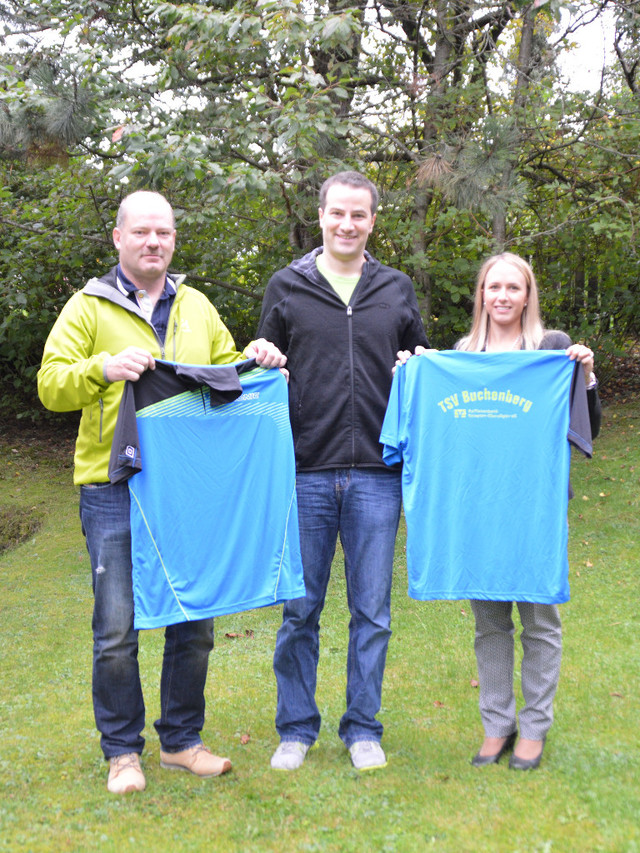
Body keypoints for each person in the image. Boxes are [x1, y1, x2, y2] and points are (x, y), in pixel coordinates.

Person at [37, 190, 286, 794]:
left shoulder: (196, 305)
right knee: (117, 628)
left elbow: (226, 372)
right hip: (113, 487)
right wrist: (102, 369)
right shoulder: (86, 307)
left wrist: (257, 356)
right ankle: (123, 752)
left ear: (174, 240)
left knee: (192, 617)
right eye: (142, 232)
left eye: (164, 233)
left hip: (189, 489)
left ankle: (181, 742)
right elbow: (50, 384)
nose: (154, 242)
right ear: (118, 239)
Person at [257, 170, 430, 772]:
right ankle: (295, 728)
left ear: (372, 221)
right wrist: (261, 358)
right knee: (299, 610)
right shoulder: (286, 286)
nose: (347, 225)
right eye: (338, 214)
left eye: (359, 215)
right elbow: (264, 373)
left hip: (378, 476)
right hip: (305, 472)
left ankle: (363, 727)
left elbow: (419, 372)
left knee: (372, 612)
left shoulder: (396, 288)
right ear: (322, 215)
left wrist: (416, 365)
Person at [455, 252, 601, 770]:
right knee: (490, 623)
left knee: (540, 618)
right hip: (480, 507)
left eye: (513, 288)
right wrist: (416, 373)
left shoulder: (552, 349)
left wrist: (584, 379)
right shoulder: (462, 355)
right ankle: (497, 725)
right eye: (493, 287)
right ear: (481, 294)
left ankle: (535, 727)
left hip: (536, 507)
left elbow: (588, 429)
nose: (502, 296)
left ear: (527, 294)